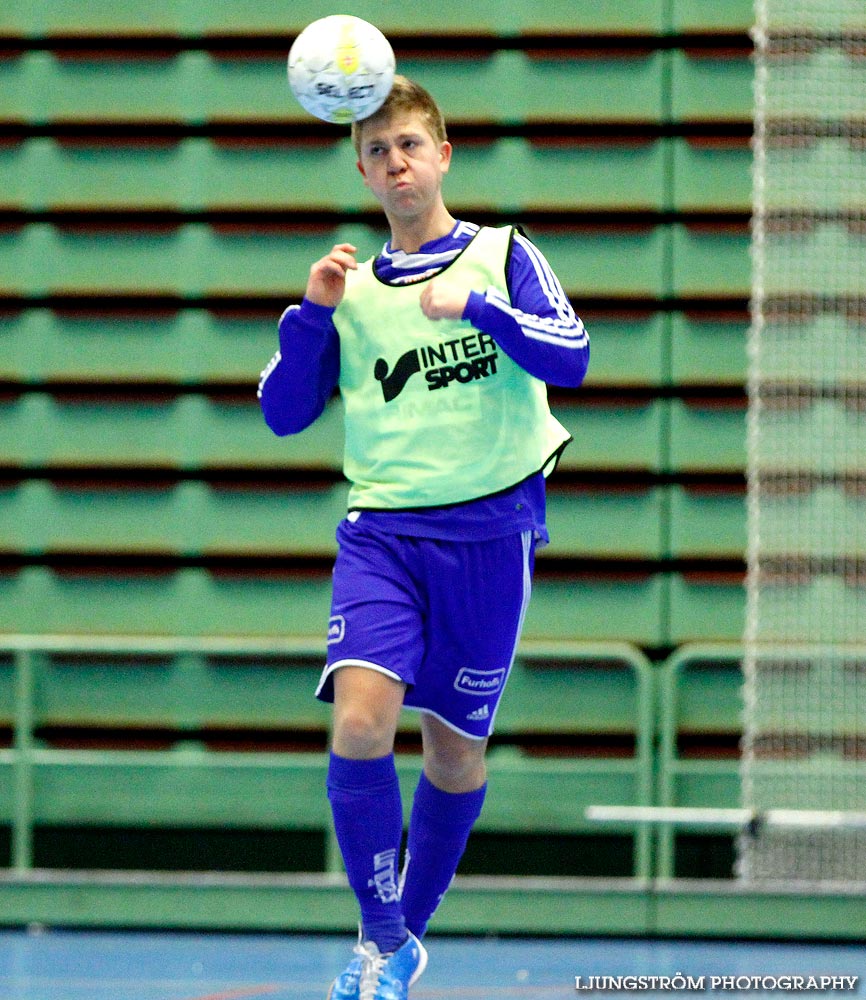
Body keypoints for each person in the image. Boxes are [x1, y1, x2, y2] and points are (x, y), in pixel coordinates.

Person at [258, 75, 589, 1000]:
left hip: (492, 535)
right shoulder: (350, 287)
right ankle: (379, 940)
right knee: (362, 722)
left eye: (409, 145)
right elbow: (284, 413)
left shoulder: (503, 253)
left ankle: (408, 938)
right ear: (360, 170)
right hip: (383, 536)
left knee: (452, 756)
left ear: (442, 154)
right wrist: (314, 313)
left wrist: (477, 309)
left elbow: (574, 353)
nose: (395, 163)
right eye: (376, 151)